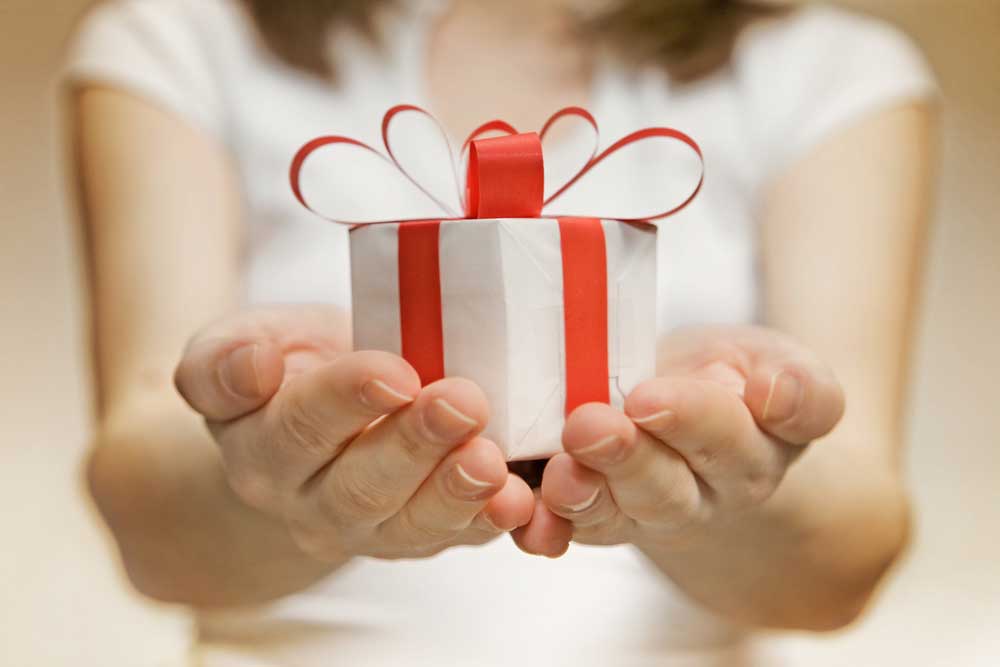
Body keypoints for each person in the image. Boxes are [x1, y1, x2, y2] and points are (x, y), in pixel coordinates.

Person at [66, 0, 937, 664]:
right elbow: (145, 504)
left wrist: (728, 464)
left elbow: (848, 552)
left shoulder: (829, 68)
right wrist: (276, 460)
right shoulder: (180, 32)